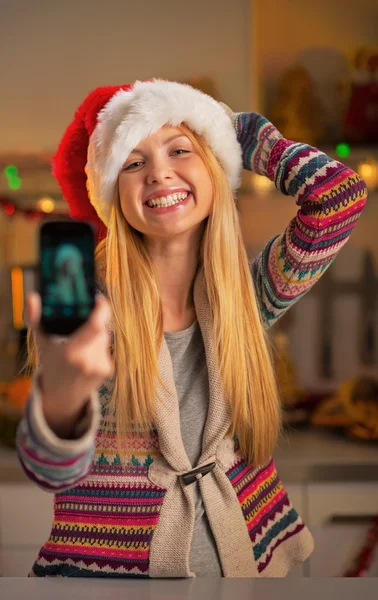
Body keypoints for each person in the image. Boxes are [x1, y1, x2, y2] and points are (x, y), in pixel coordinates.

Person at [17, 79, 368, 578]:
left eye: (181, 149)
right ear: (115, 195)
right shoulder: (91, 313)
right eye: (133, 163)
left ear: (215, 167)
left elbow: (340, 195)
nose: (159, 173)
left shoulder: (249, 295)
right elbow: (48, 469)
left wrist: (242, 133)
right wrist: (61, 400)